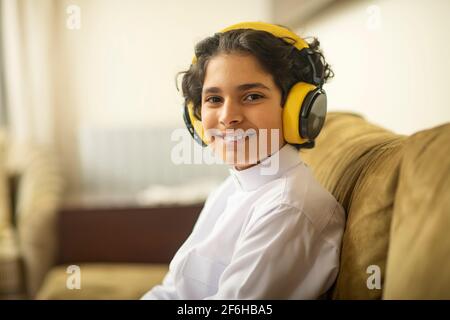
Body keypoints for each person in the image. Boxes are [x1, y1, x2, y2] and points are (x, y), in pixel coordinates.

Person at [141, 21, 345, 299]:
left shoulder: (288, 209)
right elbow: (174, 291)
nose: (227, 116)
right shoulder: (232, 187)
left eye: (252, 96)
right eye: (214, 98)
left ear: (297, 110)